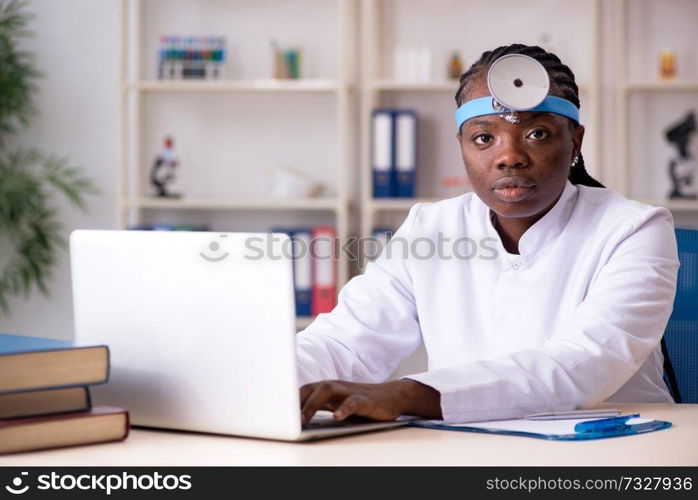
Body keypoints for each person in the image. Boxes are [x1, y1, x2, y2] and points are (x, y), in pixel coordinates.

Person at [296, 44, 680, 425]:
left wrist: (407, 394)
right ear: (461, 146)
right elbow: (344, 341)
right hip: (466, 444)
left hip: (613, 447)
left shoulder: (634, 229)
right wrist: (271, 379)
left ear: (575, 141)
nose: (509, 155)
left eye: (538, 134)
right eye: (484, 138)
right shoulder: (431, 227)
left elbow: (586, 362)